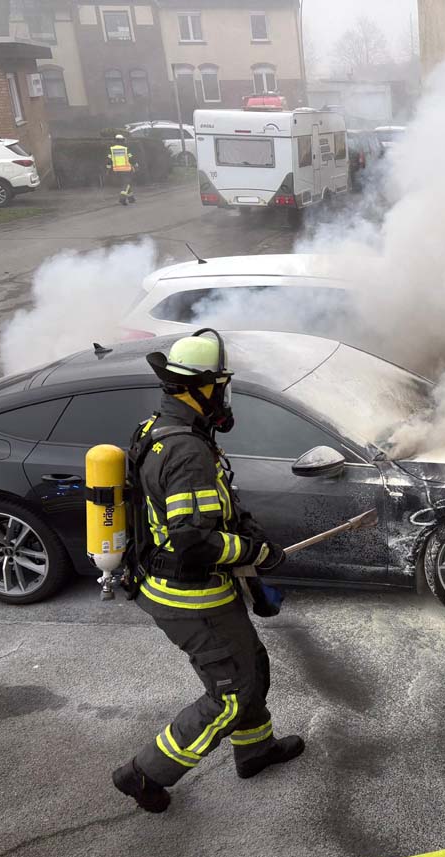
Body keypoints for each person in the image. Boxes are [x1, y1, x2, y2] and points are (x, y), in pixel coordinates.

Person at [112, 329, 303, 813]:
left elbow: (214, 511)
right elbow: (195, 543)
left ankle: (255, 751)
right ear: (200, 389)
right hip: (191, 596)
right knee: (231, 694)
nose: (226, 395)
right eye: (221, 385)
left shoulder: (159, 430)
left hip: (180, 586)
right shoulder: (187, 452)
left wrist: (251, 537)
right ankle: (144, 773)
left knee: (249, 667)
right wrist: (259, 555)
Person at [106, 134, 137, 206]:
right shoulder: (126, 149)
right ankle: (122, 198)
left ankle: (131, 198)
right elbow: (131, 158)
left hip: (116, 170)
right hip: (126, 169)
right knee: (126, 184)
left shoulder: (111, 149)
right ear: (122, 140)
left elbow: (109, 160)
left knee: (126, 183)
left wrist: (108, 168)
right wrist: (135, 164)